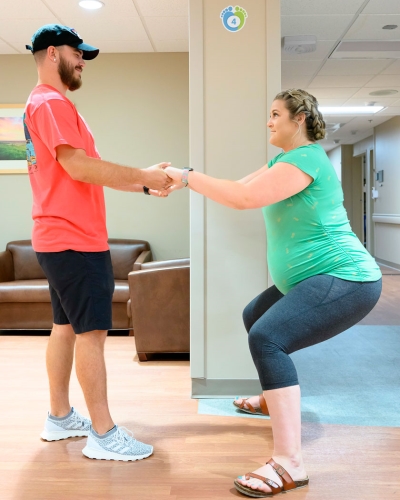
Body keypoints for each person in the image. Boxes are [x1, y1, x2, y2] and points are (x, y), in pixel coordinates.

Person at [164, 89, 382, 497]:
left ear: (299, 119)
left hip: (347, 277)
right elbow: (233, 187)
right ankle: (272, 399)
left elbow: (244, 199)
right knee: (254, 316)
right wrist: (184, 179)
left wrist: (187, 177)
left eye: (276, 114)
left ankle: (290, 463)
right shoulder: (282, 160)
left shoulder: (307, 158)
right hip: (310, 278)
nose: (269, 121)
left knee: (268, 338)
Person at [24, 24, 171, 462]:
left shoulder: (48, 105)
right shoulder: (50, 103)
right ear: (53, 53)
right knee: (92, 333)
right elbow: (81, 168)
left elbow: (86, 170)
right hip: (73, 239)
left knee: (66, 326)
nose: (82, 60)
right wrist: (144, 177)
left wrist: (142, 185)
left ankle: (60, 416)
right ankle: (104, 435)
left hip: (57, 236)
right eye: (77, 53)